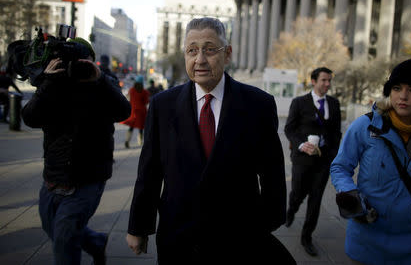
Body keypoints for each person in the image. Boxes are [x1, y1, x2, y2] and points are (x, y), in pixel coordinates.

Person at [126, 17, 295, 265]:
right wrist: (138, 226)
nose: (200, 59)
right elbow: (150, 170)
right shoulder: (163, 105)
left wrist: (263, 225)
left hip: (237, 240)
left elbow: (272, 174)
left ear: (227, 54)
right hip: (178, 237)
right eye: (192, 50)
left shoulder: (258, 104)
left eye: (209, 49)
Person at [21, 37, 131, 265]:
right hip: (53, 176)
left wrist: (99, 81)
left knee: (63, 238)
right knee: (52, 228)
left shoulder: (103, 82)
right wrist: (49, 81)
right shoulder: (53, 84)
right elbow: (30, 118)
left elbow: (123, 111)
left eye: (84, 60)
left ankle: (90, 244)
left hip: (88, 178)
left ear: (91, 61)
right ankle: (95, 242)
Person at [330, 59, 411, 265]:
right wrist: (353, 199)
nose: (403, 96)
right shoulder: (365, 125)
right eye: (396, 88)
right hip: (367, 240)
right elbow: (340, 166)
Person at [284, 67, 342, 256]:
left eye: (329, 81)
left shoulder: (334, 104)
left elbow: (336, 133)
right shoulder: (299, 102)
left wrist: (333, 155)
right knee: (297, 193)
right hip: (302, 159)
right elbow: (289, 129)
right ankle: (291, 210)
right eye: (324, 80)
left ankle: (306, 237)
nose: (327, 84)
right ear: (314, 81)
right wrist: (301, 145)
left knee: (316, 200)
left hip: (323, 161)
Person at [121, 75, 149, 148]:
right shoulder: (144, 92)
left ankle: (127, 140)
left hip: (133, 111)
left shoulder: (131, 90)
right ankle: (140, 142)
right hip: (141, 112)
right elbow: (146, 102)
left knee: (131, 127)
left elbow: (128, 99)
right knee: (141, 127)